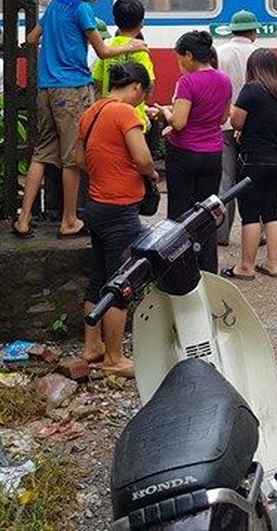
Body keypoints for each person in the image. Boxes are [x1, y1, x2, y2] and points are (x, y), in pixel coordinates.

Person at [12, 0, 147, 239]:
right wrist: (134, 46)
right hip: (72, 88)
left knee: (41, 154)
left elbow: (31, 39)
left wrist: (56, 46)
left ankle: (23, 218)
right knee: (72, 158)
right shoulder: (83, 10)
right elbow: (104, 51)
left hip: (46, 89)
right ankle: (69, 220)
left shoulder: (55, 6)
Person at [74, 62, 158, 377]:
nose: (142, 100)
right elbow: (142, 157)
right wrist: (150, 173)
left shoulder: (91, 112)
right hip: (120, 210)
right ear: (136, 86)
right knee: (121, 283)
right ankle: (114, 357)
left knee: (98, 278)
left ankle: (91, 346)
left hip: (95, 206)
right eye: (143, 93)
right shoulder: (124, 113)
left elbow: (80, 160)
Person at [154, 30, 231, 272]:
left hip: (184, 153)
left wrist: (165, 113)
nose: (179, 64)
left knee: (179, 212)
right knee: (206, 212)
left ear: (189, 55)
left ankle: (180, 268)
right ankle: (208, 267)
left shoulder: (187, 82)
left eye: (180, 58)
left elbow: (178, 123)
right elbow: (222, 118)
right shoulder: (224, 79)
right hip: (212, 154)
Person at [222, 49, 277, 280]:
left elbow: (237, 122)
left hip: (254, 160)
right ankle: (273, 265)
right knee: (272, 212)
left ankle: (246, 267)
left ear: (253, 67)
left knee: (251, 214)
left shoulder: (251, 89)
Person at [215, 9, 259, 246]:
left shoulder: (219, 53)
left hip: (224, 124)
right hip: (252, 126)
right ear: (253, 32)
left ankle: (221, 234)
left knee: (226, 179)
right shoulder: (260, 54)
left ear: (232, 30)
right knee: (253, 180)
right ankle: (256, 234)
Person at [91, 0, 156, 129]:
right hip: (134, 116)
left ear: (115, 21)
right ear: (141, 23)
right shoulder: (140, 50)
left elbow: (97, 81)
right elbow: (149, 84)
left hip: (109, 114)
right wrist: (142, 103)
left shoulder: (108, 47)